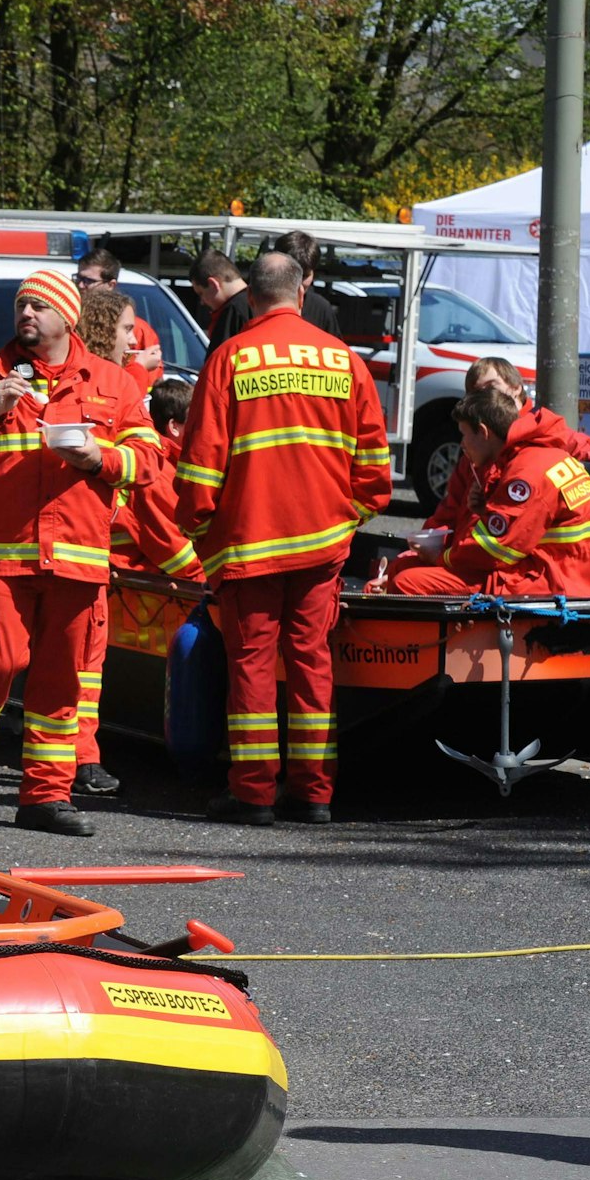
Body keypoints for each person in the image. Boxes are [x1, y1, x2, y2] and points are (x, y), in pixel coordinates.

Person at [0, 270, 161, 835]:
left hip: (78, 557)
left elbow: (149, 460)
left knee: (61, 682)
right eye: (22, 305)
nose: (26, 313)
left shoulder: (112, 381)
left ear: (68, 317)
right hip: (2, 556)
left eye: (39, 306)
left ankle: (45, 797)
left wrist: (98, 458)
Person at [175, 251, 391, 826]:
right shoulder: (344, 360)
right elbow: (375, 473)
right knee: (311, 663)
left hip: (248, 544)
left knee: (251, 665)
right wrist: (343, 522)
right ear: (301, 293)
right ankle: (313, 792)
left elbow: (199, 466)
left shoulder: (230, 358)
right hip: (321, 545)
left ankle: (253, 793)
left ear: (250, 298)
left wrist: (200, 532)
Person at [378, 390, 590, 600]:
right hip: (558, 574)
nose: (462, 444)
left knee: (407, 583)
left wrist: (440, 556)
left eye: (464, 434)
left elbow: (493, 549)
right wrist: (485, 511)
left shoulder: (526, 472)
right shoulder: (537, 457)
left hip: (549, 582)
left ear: (484, 432)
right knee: (403, 569)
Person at [424, 357, 590, 541]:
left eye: (490, 388)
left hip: (532, 567)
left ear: (516, 388)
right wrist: (425, 545)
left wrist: (580, 469)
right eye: (475, 395)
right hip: (479, 559)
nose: (484, 399)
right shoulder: (473, 455)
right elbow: (446, 518)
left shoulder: (549, 435)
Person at [111, 378, 204, 581]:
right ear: (174, 427)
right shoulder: (157, 474)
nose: (204, 429)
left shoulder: (171, 464)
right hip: (141, 588)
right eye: (197, 421)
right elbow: (180, 558)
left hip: (144, 582)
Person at [206, 231, 344, 347]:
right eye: (290, 275)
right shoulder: (239, 308)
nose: (297, 283)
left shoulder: (321, 309)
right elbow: (218, 360)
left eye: (304, 276)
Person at [75, 248, 164, 388]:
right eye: (79, 278)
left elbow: (150, 383)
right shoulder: (69, 322)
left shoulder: (139, 330)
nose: (80, 285)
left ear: (111, 285)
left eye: (88, 281)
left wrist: (139, 369)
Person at [189, 249, 247, 334]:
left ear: (213, 284)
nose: (202, 302)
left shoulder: (231, 313)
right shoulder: (261, 302)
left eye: (201, 293)